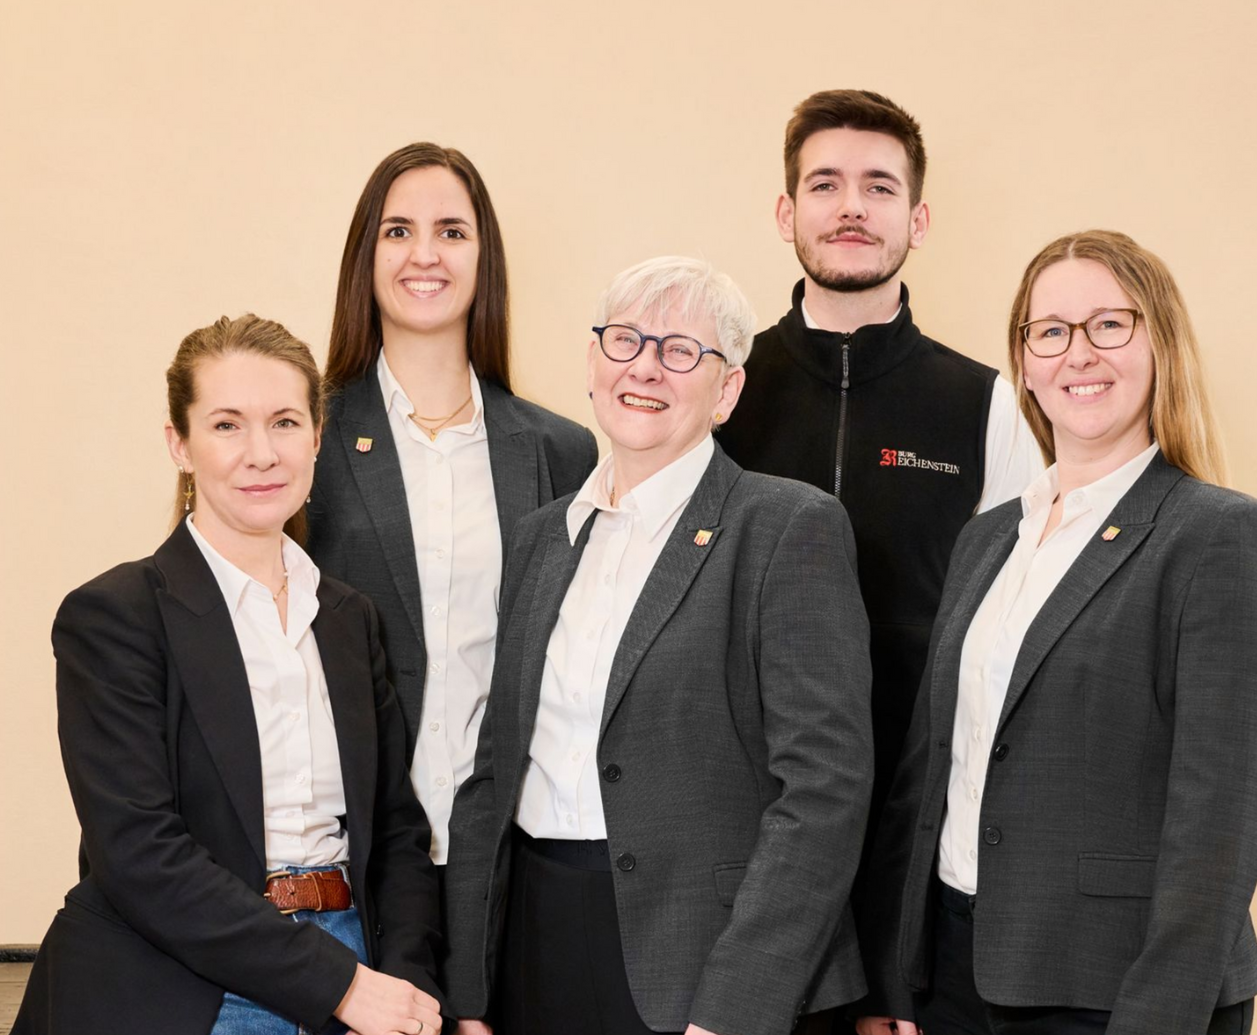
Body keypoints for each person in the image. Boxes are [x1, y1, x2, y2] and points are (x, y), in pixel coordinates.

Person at [856, 230, 1257, 1035]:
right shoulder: (989, 538)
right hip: (954, 975)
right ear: (1023, 361)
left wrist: (1160, 1015)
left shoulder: (1219, 536)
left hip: (1113, 988)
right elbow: (932, 768)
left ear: (1158, 341)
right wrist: (898, 975)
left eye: (1108, 325)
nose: (1077, 354)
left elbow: (1220, 820)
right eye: (1050, 331)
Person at [442, 257, 874, 1035]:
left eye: (681, 350)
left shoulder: (783, 529)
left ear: (727, 391)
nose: (645, 366)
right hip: (534, 950)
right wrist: (469, 991)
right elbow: (491, 773)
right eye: (625, 340)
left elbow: (823, 793)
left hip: (704, 964)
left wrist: (734, 1012)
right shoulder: (541, 538)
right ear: (592, 361)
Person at [13, 315, 444, 1035]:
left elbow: (396, 830)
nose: (261, 453)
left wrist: (403, 985)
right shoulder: (113, 617)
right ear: (178, 443)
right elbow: (139, 853)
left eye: (283, 421)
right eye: (226, 425)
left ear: (316, 435)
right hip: (183, 980)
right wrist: (340, 987)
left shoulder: (348, 618)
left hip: (359, 966)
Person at [716, 89, 1044, 823]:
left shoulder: (987, 403)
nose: (851, 207)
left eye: (878, 187)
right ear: (785, 213)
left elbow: (1015, 613)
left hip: (920, 801)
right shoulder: (721, 387)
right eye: (824, 184)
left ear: (916, 220)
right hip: (741, 796)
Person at [307, 143, 598, 877]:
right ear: (364, 258)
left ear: (483, 257)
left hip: (509, 855)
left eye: (452, 231)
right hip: (349, 853)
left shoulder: (561, 452)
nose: (424, 255)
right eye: (397, 231)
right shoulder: (304, 439)